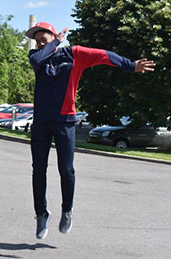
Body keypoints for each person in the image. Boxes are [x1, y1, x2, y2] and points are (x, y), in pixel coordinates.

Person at [27, 21, 156, 239]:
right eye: (36, 38)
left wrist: (130, 65)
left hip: (65, 120)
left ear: (51, 34)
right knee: (38, 170)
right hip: (41, 121)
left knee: (66, 170)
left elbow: (104, 55)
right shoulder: (35, 57)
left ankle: (67, 210)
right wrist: (55, 41)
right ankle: (41, 213)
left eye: (43, 36)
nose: (39, 40)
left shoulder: (74, 54)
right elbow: (40, 58)